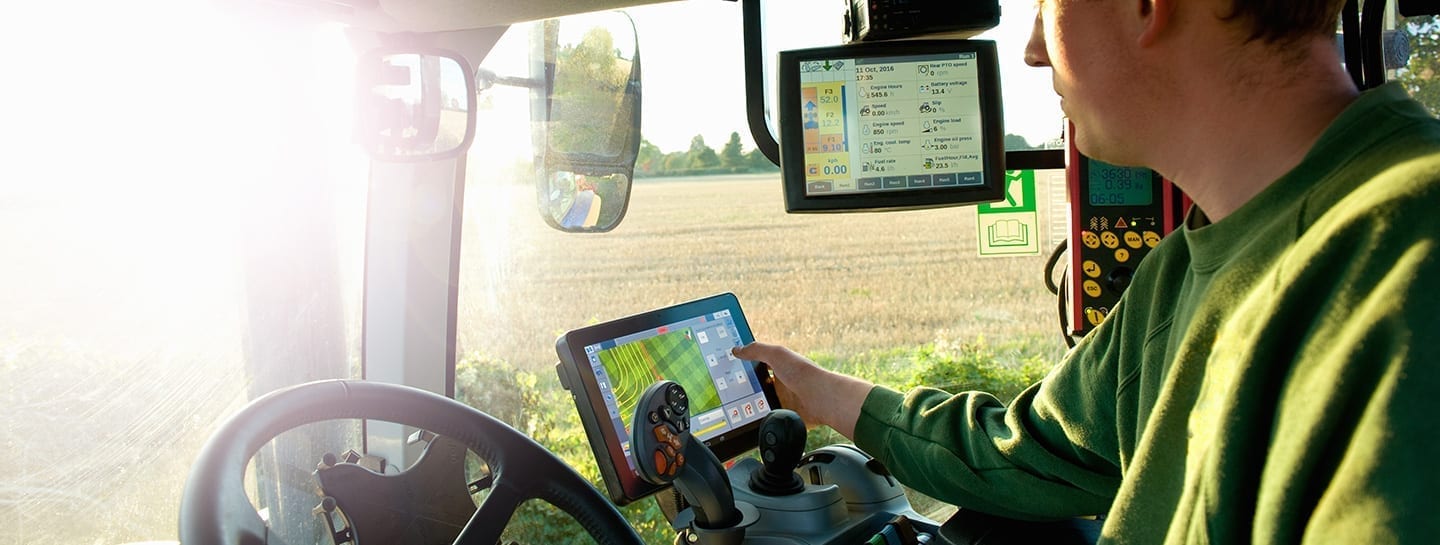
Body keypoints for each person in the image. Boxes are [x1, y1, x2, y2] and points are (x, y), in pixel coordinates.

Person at [735, 0, 1440, 543]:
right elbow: (1032, 449)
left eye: (1049, 5)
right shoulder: (1181, 270)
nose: (1035, 50)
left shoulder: (1409, 261)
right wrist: (823, 393)